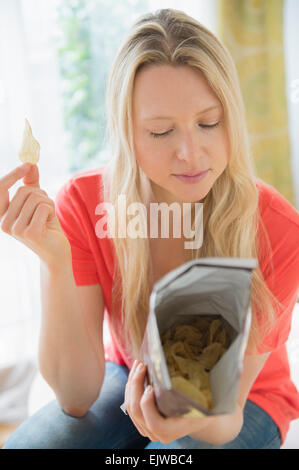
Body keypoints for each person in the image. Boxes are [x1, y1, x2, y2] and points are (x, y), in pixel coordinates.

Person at [1, 8, 299, 449]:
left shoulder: (277, 230)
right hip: (131, 370)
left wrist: (179, 424)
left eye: (208, 123)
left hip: (242, 402)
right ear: (127, 133)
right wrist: (55, 261)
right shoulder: (85, 205)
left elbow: (224, 420)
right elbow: (76, 395)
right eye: (160, 132)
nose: (189, 152)